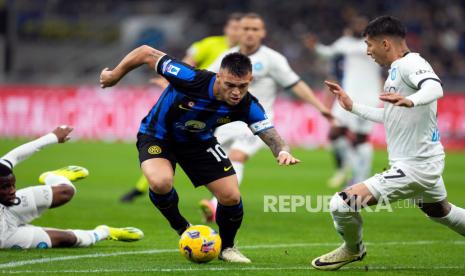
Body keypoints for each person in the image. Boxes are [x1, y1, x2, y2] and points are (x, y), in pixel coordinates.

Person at [100, 47, 300, 263]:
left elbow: (270, 134)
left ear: (250, 80)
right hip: (158, 136)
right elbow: (146, 53)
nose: (236, 92)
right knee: (160, 182)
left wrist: (282, 152)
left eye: (242, 86)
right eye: (230, 85)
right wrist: (114, 75)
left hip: (198, 142)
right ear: (219, 76)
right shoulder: (191, 77)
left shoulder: (247, 104)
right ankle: (183, 228)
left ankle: (227, 247)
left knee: (231, 196)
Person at [311, 15, 465, 271]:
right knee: (440, 212)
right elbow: (391, 116)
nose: (368, 51)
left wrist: (412, 100)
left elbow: (434, 88)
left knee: (341, 202)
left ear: (385, 43)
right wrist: (352, 107)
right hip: (423, 161)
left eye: (369, 45)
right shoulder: (395, 71)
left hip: (415, 167)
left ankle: (353, 249)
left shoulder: (410, 63)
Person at [201, 13, 332, 222]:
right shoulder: (229, 56)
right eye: (246, 29)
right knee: (221, 166)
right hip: (225, 121)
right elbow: (204, 78)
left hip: (255, 122)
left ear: (262, 33)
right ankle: (220, 203)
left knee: (237, 156)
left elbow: (295, 83)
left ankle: (215, 205)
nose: (250, 33)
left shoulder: (272, 59)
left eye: (255, 29)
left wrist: (319, 106)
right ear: (238, 31)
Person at [120, 13, 243, 203]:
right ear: (227, 29)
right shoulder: (209, 44)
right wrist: (175, 82)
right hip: (192, 105)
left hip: (221, 108)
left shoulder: (245, 56)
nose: (238, 32)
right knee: (171, 146)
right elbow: (188, 64)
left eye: (242, 29)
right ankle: (142, 187)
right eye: (235, 28)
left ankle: (218, 198)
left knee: (222, 152)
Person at [0, 126, 144, 249]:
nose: (13, 190)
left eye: (12, 185)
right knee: (68, 239)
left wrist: (52, 137)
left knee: (65, 192)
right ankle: (105, 232)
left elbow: (14, 156)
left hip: (8, 210)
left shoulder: (8, 189)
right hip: (6, 236)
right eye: (5, 187)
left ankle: (51, 177)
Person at [303, 16, 382, 188]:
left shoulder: (375, 43)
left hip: (368, 98)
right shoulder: (345, 42)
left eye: (361, 25)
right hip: (347, 95)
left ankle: (361, 177)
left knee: (361, 138)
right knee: (334, 133)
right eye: (355, 24)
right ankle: (352, 167)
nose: (357, 27)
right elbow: (326, 52)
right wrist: (314, 46)